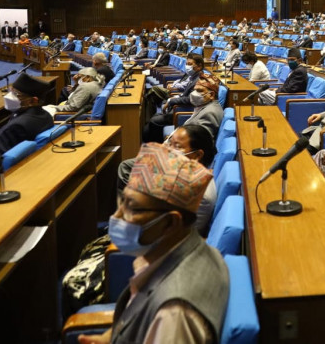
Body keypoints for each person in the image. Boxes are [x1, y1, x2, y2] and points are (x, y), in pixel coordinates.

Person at [82, 144, 228, 344]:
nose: (116, 217)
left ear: (170, 222)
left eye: (132, 208)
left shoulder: (174, 317)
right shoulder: (197, 251)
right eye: (122, 202)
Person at [117, 125, 218, 237]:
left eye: (177, 147)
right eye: (170, 144)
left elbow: (176, 237)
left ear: (198, 155)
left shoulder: (196, 193)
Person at [145, 74, 223, 143]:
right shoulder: (203, 105)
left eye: (199, 91)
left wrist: (172, 141)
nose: (194, 94)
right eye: (195, 90)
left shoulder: (210, 114)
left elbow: (197, 144)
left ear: (211, 95)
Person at [143, 55, 205, 140]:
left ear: (199, 66)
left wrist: (172, 101)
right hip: (180, 104)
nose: (187, 66)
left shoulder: (200, 81)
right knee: (155, 116)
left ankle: (154, 144)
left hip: (184, 110)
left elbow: (190, 99)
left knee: (154, 121)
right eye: (186, 63)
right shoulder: (193, 77)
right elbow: (185, 94)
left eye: (190, 64)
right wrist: (174, 98)